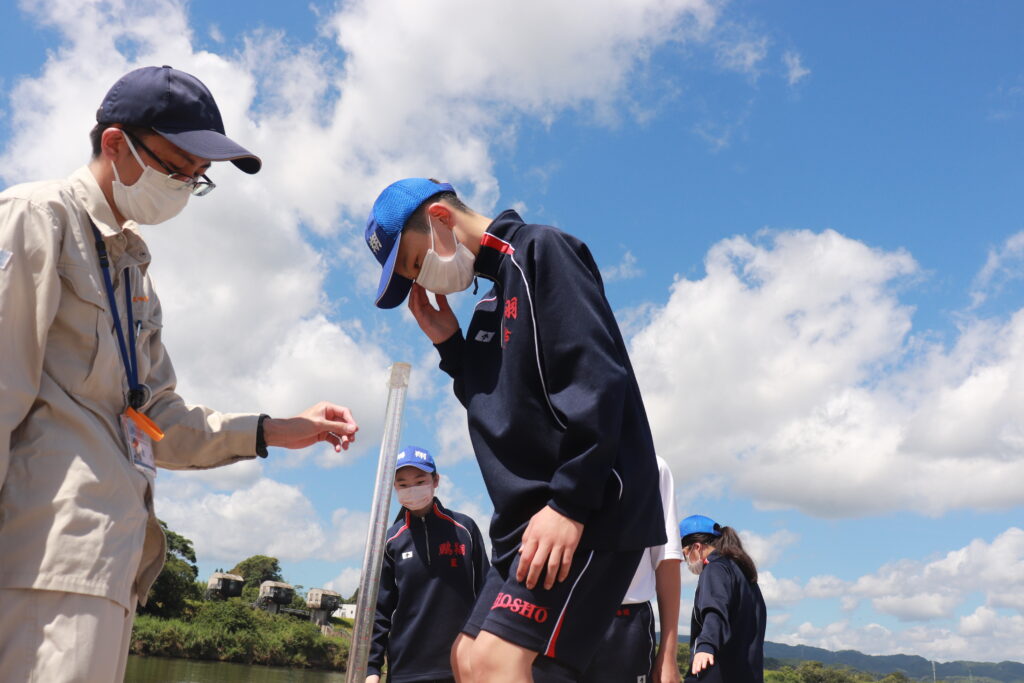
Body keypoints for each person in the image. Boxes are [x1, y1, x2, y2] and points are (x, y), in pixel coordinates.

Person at [0, 65, 359, 682]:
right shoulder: (36, 217)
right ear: (116, 145)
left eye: (199, 177)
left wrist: (273, 430)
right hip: (41, 556)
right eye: (177, 168)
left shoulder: (134, 271)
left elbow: (155, 414)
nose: (187, 186)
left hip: (111, 563)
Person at [363, 178, 666, 681]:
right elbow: (498, 409)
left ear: (440, 219)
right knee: (465, 658)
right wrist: (450, 345)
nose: (423, 281)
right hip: (524, 522)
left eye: (415, 263)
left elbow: (596, 377)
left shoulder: (539, 251)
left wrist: (570, 504)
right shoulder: (490, 299)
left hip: (586, 508)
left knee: (494, 663)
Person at [367, 446, 489, 683]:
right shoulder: (391, 541)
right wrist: (372, 668)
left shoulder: (465, 529)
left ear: (436, 481)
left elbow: (486, 592)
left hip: (460, 665)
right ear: (394, 487)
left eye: (420, 480)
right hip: (405, 668)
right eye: (403, 484)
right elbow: (380, 610)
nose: (412, 489)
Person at [580, 456, 683, 683]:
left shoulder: (651, 465)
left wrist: (668, 655)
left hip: (624, 621)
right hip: (557, 614)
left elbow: (666, 560)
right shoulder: (556, 455)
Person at [679, 515, 766, 683]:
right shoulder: (743, 574)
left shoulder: (714, 570)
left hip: (717, 673)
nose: (685, 562)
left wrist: (706, 645)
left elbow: (715, 610)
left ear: (696, 547)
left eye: (684, 554)